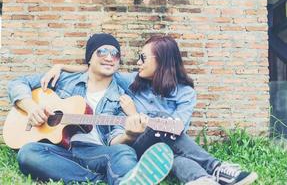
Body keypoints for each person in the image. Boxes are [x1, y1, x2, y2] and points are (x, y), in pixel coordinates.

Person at [42, 35, 258, 185]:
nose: (137, 62)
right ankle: (216, 167)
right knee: (164, 121)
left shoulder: (185, 93)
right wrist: (60, 67)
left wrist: (134, 111)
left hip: (165, 149)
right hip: (137, 144)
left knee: (172, 151)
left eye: (143, 58)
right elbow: (97, 67)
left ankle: (200, 179)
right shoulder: (132, 80)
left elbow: (177, 129)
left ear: (162, 60)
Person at [7, 33, 174, 185]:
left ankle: (126, 180)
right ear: (90, 57)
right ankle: (97, 180)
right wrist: (31, 108)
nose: (110, 57)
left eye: (115, 54)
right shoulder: (64, 79)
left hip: (97, 152)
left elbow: (113, 139)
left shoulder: (121, 98)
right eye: (102, 52)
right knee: (28, 153)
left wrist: (129, 135)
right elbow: (17, 83)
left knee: (124, 152)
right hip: (61, 151)